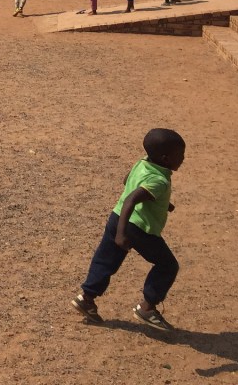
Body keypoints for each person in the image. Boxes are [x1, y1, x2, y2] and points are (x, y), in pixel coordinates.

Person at [71, 128, 186, 332]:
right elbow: (132, 199)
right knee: (167, 265)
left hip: (117, 218)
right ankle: (147, 308)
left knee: (106, 260)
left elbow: (128, 181)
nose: (183, 159)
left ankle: (86, 297)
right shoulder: (159, 180)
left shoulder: (142, 163)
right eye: (180, 155)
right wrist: (122, 234)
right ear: (165, 158)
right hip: (137, 227)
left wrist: (160, 202)